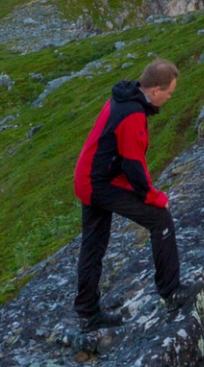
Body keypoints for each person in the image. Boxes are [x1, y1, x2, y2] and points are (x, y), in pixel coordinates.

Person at [73, 57, 180, 329]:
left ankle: (88, 313)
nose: (169, 98)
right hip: (99, 183)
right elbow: (133, 165)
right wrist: (155, 198)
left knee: (93, 245)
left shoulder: (123, 97)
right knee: (160, 220)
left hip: (88, 177)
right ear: (155, 90)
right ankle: (172, 293)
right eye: (169, 94)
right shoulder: (133, 114)